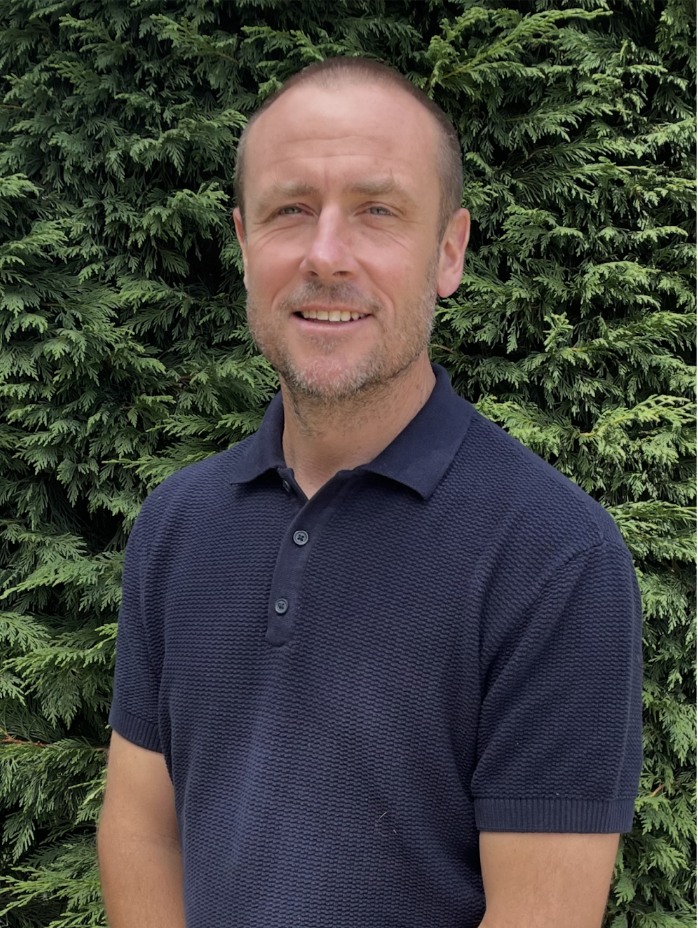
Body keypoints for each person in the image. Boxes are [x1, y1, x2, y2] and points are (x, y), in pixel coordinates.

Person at [97, 57, 643, 928]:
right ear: (245, 246)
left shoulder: (555, 557)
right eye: (290, 211)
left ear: (448, 252)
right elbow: (143, 831)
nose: (325, 255)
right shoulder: (175, 526)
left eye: (377, 211)